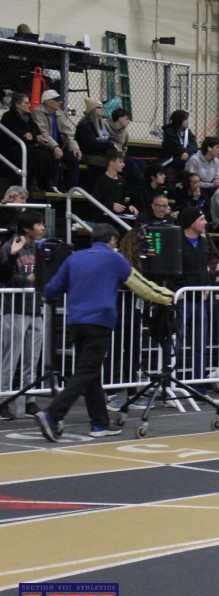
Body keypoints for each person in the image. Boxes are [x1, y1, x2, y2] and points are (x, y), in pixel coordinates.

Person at [34, 224, 173, 441]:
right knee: (85, 372)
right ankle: (52, 414)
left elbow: (53, 287)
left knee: (91, 373)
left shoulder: (75, 258)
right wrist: (168, 296)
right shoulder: (115, 259)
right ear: (112, 241)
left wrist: (47, 297)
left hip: (76, 321)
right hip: (99, 322)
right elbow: (142, 286)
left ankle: (99, 423)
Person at [0, 212, 45, 420]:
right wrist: (26, 279)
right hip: (15, 308)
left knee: (32, 358)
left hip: (35, 308)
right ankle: (3, 399)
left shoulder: (39, 248)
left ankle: (30, 399)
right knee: (10, 357)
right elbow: (4, 276)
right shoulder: (11, 246)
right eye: (38, 224)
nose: (42, 228)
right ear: (27, 228)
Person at [1, 92, 56, 191]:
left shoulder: (28, 117)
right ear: (17, 104)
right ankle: (30, 183)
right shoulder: (8, 116)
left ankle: (44, 182)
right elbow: (12, 134)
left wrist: (33, 135)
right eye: (26, 103)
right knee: (32, 152)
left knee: (46, 153)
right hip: (13, 148)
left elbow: (35, 130)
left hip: (27, 145)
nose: (29, 105)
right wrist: (27, 135)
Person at [31, 89, 81, 191]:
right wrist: (55, 146)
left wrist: (75, 148)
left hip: (60, 145)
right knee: (55, 156)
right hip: (45, 145)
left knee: (74, 158)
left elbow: (68, 132)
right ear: (48, 102)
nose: (60, 102)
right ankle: (53, 186)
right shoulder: (38, 112)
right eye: (57, 100)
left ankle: (70, 188)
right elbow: (43, 133)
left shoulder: (59, 113)